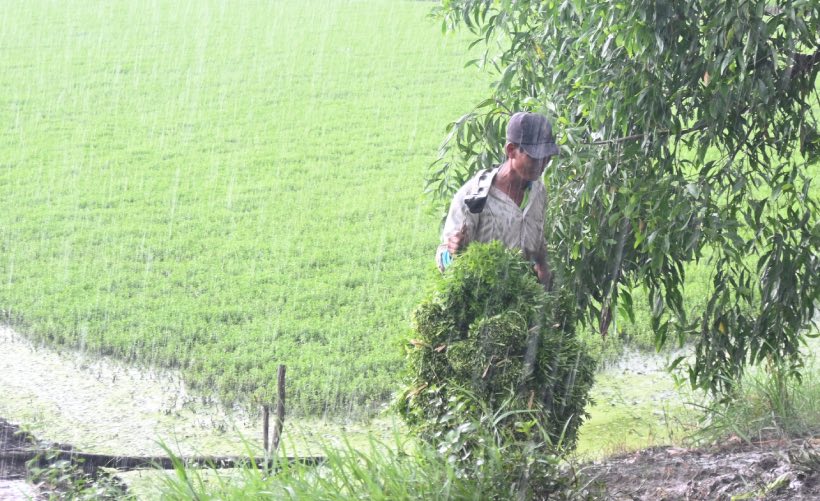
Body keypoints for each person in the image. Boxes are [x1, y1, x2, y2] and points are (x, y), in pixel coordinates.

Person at [435, 111, 558, 289]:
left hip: (525, 303)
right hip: (484, 301)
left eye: (547, 156)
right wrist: (451, 252)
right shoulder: (473, 197)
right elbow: (444, 260)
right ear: (511, 150)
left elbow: (537, 246)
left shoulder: (538, 192)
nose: (543, 163)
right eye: (535, 157)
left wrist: (542, 265)